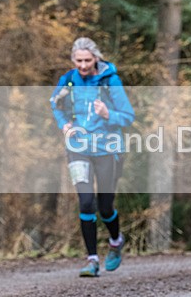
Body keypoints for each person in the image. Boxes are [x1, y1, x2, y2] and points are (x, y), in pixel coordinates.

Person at [51, 37, 135, 277]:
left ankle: (116, 241)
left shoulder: (110, 81)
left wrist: (108, 113)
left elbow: (128, 116)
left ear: (96, 58)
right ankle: (91, 259)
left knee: (105, 206)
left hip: (107, 148)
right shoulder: (68, 80)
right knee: (86, 201)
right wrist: (64, 124)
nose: (83, 66)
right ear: (73, 60)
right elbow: (55, 103)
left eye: (88, 60)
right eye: (78, 61)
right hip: (77, 146)